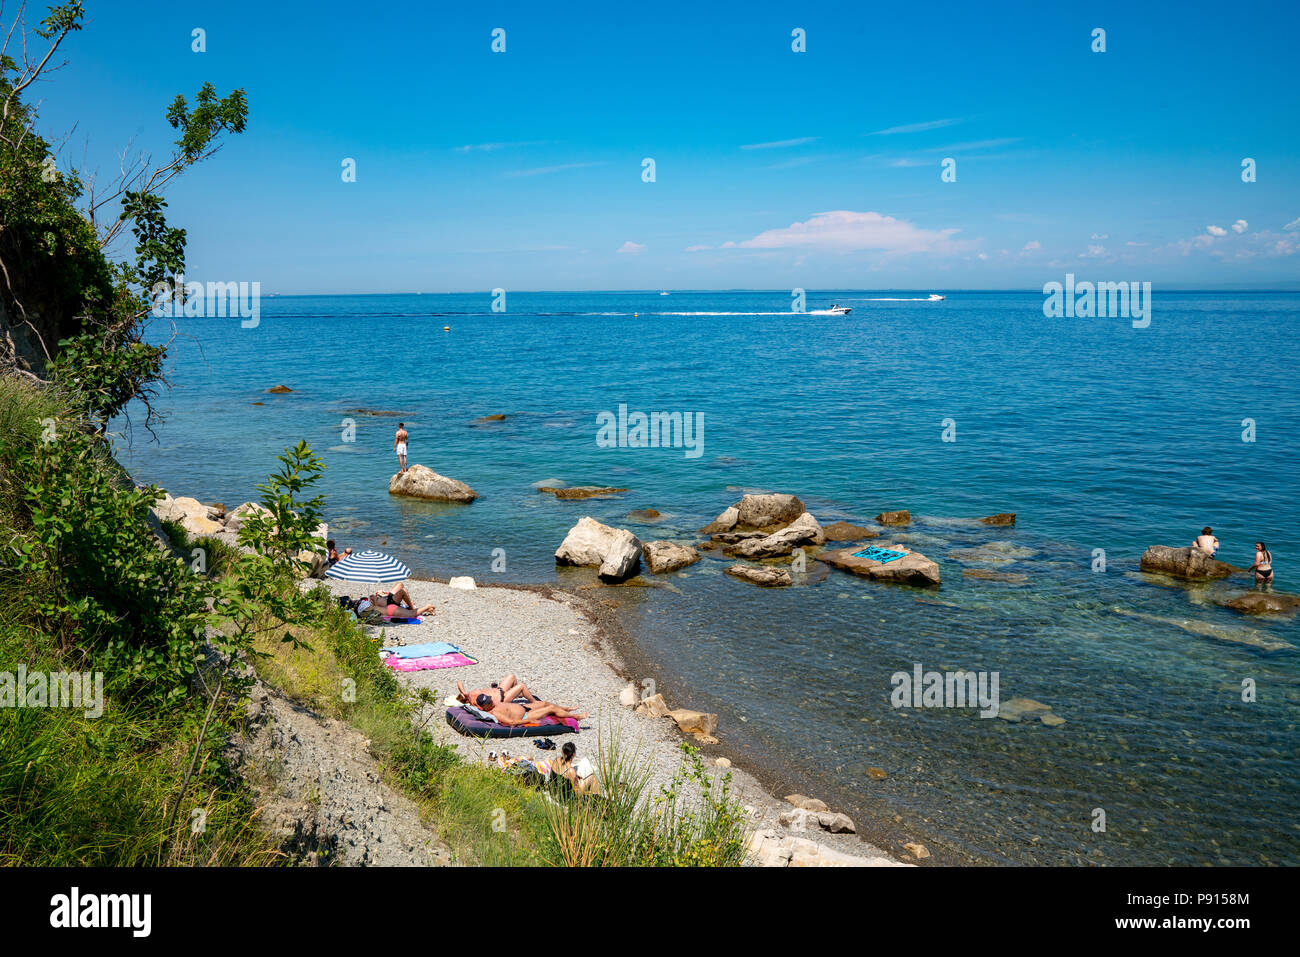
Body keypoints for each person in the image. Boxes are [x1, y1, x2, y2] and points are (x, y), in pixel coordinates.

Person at [474, 692, 587, 727]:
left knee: (544, 703)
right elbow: (511, 722)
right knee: (550, 708)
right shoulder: (494, 712)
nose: (491, 701)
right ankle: (576, 716)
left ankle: (566, 709)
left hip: (524, 708)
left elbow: (472, 700)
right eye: (488, 702)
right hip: (525, 716)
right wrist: (528, 721)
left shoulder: (492, 703)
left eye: (490, 699)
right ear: (484, 707)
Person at [457, 674, 542, 707]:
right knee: (522, 686)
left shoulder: (470, 693)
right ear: (466, 701)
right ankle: (534, 702)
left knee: (511, 676)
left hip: (499, 690)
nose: (465, 694)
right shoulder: (474, 702)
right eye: (464, 696)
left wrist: (463, 691)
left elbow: (458, 682)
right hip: (503, 699)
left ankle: (517, 694)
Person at [369, 584, 435, 618]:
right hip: (389, 603)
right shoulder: (373, 607)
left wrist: (382, 594)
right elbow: (376, 607)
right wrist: (375, 599)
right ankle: (416, 608)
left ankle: (421, 609)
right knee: (403, 591)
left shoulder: (367, 601)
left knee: (400, 584)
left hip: (387, 597)